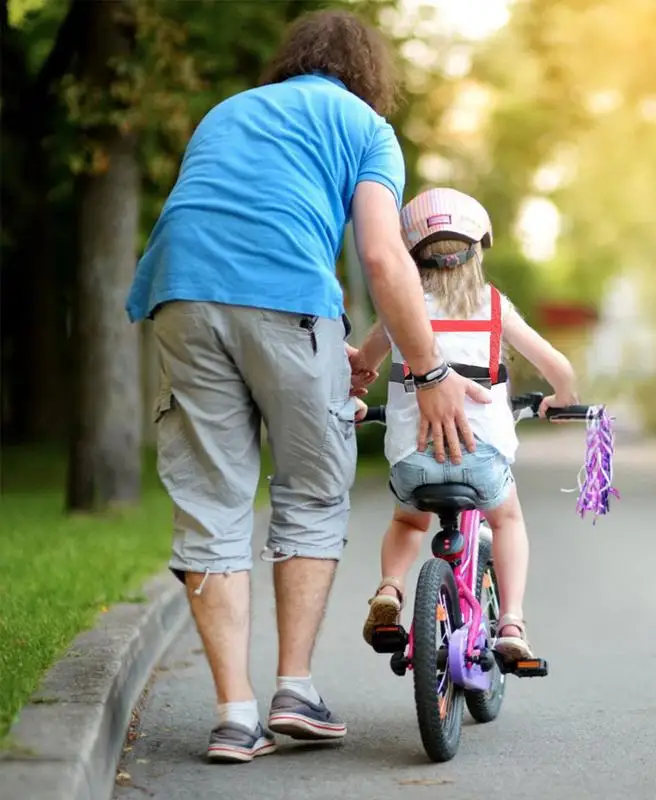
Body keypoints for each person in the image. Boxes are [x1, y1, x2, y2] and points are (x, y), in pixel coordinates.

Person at [125, 11, 489, 763]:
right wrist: (430, 373)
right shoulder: (365, 126)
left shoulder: (227, 112)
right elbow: (388, 261)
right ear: (369, 76)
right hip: (289, 297)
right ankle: (295, 690)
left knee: (212, 501)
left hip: (178, 294)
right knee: (313, 491)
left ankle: (233, 715)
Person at [353, 187, 579, 661]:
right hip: (482, 460)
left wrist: (354, 396)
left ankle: (391, 589)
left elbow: (363, 367)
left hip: (414, 460)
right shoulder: (493, 306)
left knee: (407, 520)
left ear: (409, 253)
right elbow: (557, 365)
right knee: (508, 519)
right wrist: (561, 398)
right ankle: (512, 622)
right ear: (478, 249)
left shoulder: (400, 309)